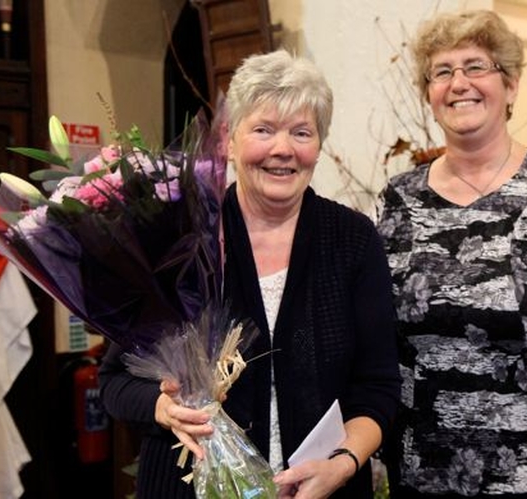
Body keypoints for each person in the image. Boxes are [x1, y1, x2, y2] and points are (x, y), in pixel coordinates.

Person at [99, 48, 401, 499]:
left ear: (319, 145)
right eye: (263, 129)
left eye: (302, 132)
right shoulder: (185, 236)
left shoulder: (353, 239)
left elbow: (378, 387)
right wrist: (164, 408)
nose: (283, 149)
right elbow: (115, 381)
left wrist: (342, 465)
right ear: (229, 138)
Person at [376, 9, 527, 499]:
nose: (458, 83)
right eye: (442, 71)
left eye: (476, 66)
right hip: (417, 476)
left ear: (510, 86)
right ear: (429, 94)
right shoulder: (395, 200)